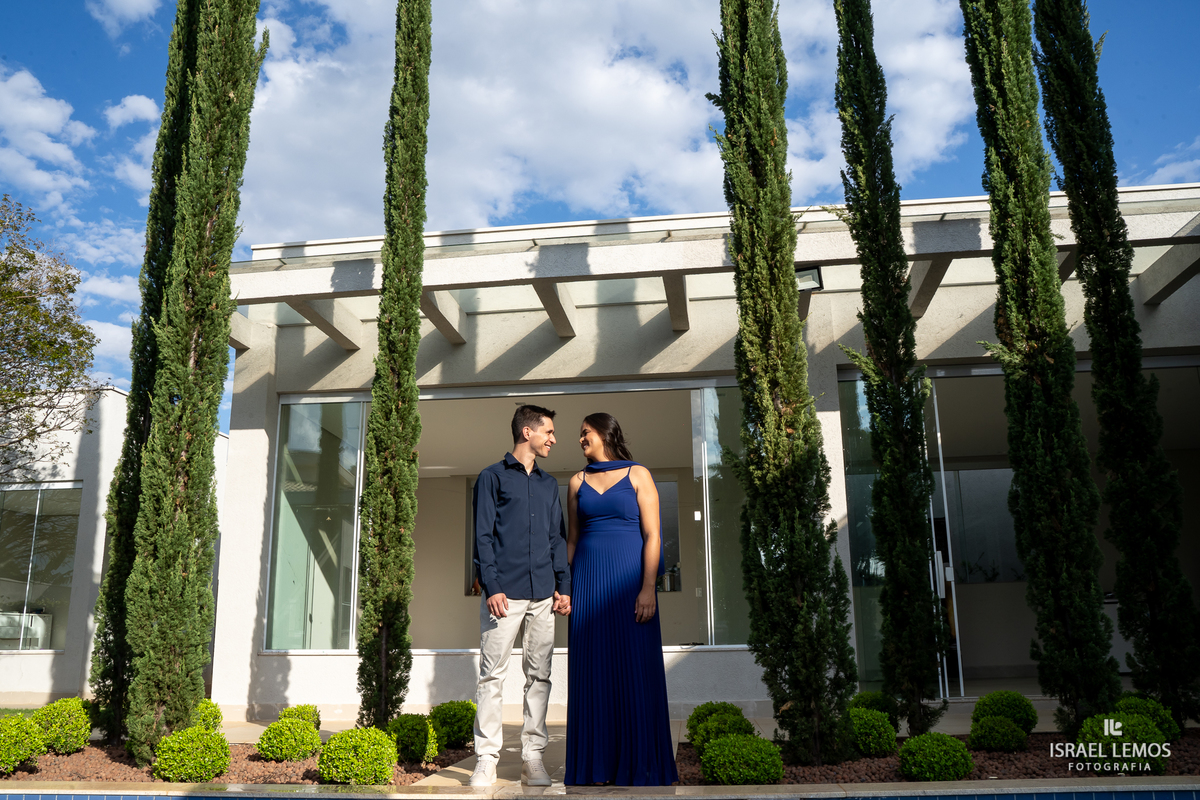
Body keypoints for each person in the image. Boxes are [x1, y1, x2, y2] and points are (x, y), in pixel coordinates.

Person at [563, 412, 678, 786]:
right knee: (593, 673)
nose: (580, 439)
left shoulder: (638, 475)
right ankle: (595, 768)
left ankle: (641, 765)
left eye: (586, 433)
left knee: (634, 670)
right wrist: (564, 587)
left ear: (605, 433)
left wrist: (649, 587)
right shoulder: (577, 481)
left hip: (631, 584)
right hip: (588, 584)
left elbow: (654, 536)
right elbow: (573, 540)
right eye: (580, 435)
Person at [470, 404, 572, 787]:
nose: (553, 439)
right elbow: (482, 536)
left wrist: (564, 586)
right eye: (548, 432)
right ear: (527, 432)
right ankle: (486, 758)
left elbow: (556, 538)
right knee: (492, 677)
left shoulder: (548, 485)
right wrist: (492, 586)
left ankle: (533, 756)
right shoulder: (491, 478)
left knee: (540, 676)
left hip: (544, 594)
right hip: (505, 595)